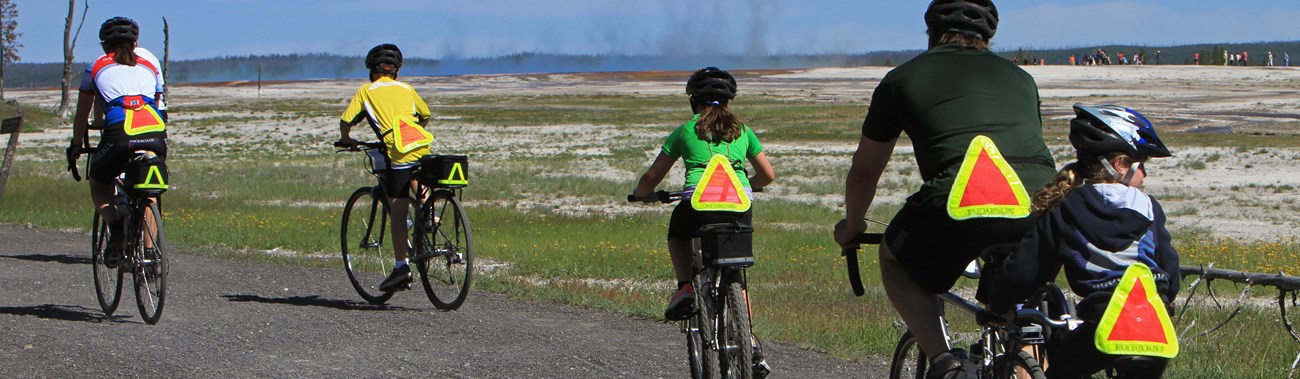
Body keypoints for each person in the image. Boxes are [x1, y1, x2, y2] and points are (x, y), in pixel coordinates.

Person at [833, 1, 1056, 378]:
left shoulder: (902, 78)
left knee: (894, 260)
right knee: (1023, 297)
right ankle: (1030, 363)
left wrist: (852, 226)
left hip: (957, 196)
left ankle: (943, 362)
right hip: (1044, 202)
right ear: (988, 36)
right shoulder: (1022, 78)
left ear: (932, 33)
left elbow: (865, 172)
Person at [983, 104, 1180, 378]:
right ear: (1120, 165)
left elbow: (1026, 269)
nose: (1144, 174)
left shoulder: (1066, 207)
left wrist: (999, 305)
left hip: (1105, 324)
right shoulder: (1150, 207)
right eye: (1142, 164)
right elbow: (1169, 269)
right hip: (1153, 328)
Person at [631, 67, 775, 377]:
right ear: (729, 100)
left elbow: (652, 176)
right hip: (739, 206)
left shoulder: (685, 130)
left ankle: (685, 286)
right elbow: (769, 175)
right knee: (735, 268)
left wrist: (642, 194)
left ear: (693, 101)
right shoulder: (743, 131)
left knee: (678, 233)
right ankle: (748, 338)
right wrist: (751, 183)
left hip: (697, 204)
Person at [66, 17, 168, 267]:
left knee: (99, 182)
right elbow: (155, 102)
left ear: (104, 45)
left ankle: (116, 226)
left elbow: (82, 114)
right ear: (135, 43)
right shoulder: (150, 65)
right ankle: (149, 253)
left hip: (119, 133)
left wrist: (77, 145)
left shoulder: (95, 67)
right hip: (155, 132)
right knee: (149, 190)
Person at [337, 43, 434, 292]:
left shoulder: (367, 91)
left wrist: (346, 139)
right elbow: (425, 115)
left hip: (396, 152)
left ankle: (401, 267)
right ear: (396, 72)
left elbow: (346, 121)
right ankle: (429, 213)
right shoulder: (407, 88)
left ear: (372, 70)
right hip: (420, 146)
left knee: (398, 209)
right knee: (417, 176)